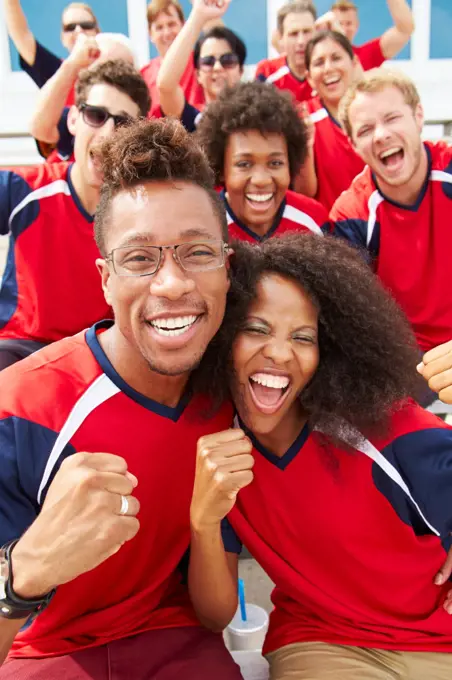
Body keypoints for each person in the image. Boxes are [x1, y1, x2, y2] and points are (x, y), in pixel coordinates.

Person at [0, 118, 242, 680]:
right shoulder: (23, 407)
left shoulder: (237, 394)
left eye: (198, 252)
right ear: (105, 279)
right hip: (42, 653)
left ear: (228, 269)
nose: (172, 283)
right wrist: (27, 571)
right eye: (140, 259)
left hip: (176, 641)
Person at [189, 233, 452, 680]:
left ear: (326, 355)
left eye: (303, 337)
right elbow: (216, 616)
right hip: (323, 642)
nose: (278, 352)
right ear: (222, 336)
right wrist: (203, 519)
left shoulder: (388, 434)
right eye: (256, 329)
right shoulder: (216, 449)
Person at [0, 60, 150, 371]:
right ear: (73, 121)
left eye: (122, 124)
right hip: (21, 352)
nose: (108, 134)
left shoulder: (144, 209)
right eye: (96, 115)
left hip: (102, 358)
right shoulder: (25, 188)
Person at [331, 68, 452, 357]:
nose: (382, 135)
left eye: (392, 118)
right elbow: (355, 318)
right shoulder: (351, 216)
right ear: (353, 145)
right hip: (405, 358)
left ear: (418, 116)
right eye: (365, 129)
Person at [196, 81, 329, 242]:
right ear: (222, 170)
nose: (261, 180)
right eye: (244, 164)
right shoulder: (201, 227)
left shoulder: (313, 220)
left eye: (275, 163)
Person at [28, 33, 137, 163]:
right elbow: (40, 129)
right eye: (101, 68)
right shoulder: (81, 116)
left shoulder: (143, 121)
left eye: (121, 69)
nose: (110, 77)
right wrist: (72, 64)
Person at [294, 30, 365, 210]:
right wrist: (306, 148)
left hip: (373, 227)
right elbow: (304, 194)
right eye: (319, 62)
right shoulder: (303, 118)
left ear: (354, 63)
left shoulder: (374, 111)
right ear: (309, 77)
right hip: (328, 232)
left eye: (336, 58)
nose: (328, 68)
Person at [157, 0, 245, 133]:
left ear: (241, 70)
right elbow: (165, 85)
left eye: (227, 60)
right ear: (198, 74)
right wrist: (198, 15)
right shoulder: (194, 119)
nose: (217, 67)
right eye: (208, 61)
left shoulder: (256, 119)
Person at [4, 0, 99, 105]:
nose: (78, 30)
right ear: (63, 38)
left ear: (97, 32)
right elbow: (22, 35)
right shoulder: (56, 73)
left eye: (86, 25)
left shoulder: (116, 69)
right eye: (70, 27)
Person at [141, 0, 205, 119]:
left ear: (183, 25)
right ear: (150, 34)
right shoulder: (143, 75)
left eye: (171, 24)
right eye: (159, 27)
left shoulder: (201, 62)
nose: (167, 33)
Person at [255, 1, 316, 104]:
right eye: (293, 34)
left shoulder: (327, 72)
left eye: (306, 32)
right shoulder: (267, 72)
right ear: (281, 38)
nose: (301, 41)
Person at [332, 0, 415, 71]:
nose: (343, 29)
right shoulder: (320, 57)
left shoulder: (367, 55)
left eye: (348, 23)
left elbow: (404, 30)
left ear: (356, 25)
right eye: (339, 24)